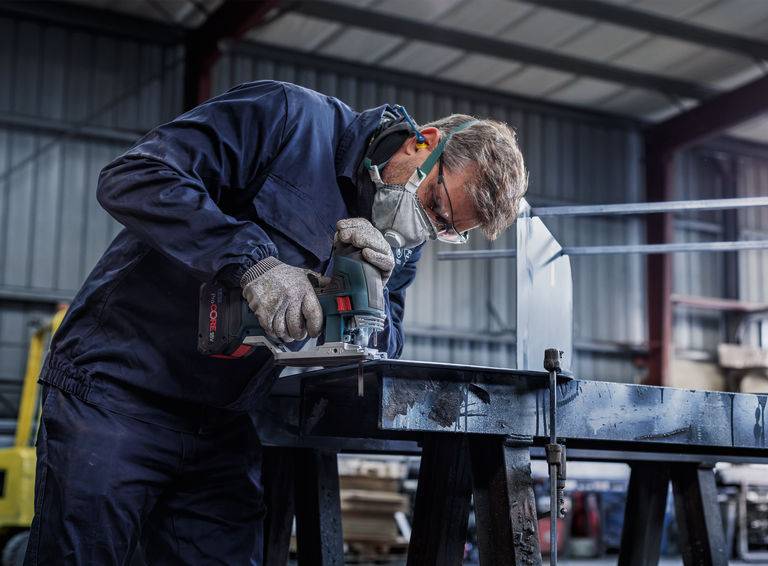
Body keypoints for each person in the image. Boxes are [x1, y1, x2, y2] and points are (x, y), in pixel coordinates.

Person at [24, 80, 527, 565]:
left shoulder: (399, 243)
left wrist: (370, 296)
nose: (427, 227)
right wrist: (252, 262)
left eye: (446, 229)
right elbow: (134, 177)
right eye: (436, 205)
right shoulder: (289, 120)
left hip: (221, 421)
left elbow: (384, 346)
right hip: (116, 390)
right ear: (425, 143)